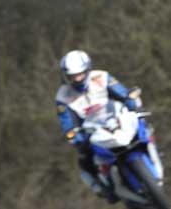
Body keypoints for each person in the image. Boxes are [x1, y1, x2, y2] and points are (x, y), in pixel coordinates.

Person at [55, 50, 142, 201]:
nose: (77, 78)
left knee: (141, 122)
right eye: (72, 76)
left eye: (80, 74)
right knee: (84, 159)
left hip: (115, 118)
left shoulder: (101, 76)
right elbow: (65, 119)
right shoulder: (62, 95)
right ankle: (101, 187)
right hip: (91, 130)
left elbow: (121, 92)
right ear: (65, 76)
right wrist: (73, 135)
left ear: (87, 69)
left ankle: (151, 148)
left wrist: (130, 101)